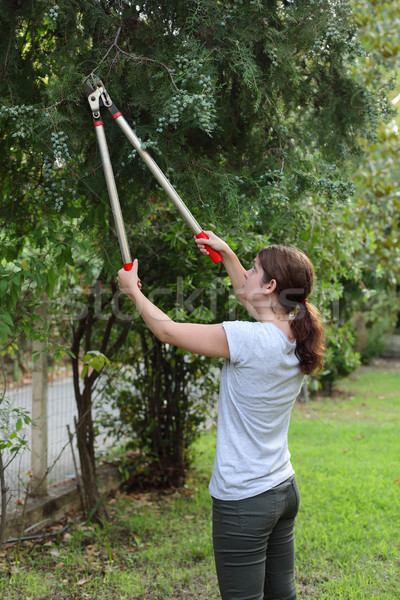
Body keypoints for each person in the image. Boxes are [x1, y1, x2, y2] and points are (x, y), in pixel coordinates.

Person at [117, 231, 325, 600]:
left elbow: (167, 331)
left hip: (244, 500)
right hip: (282, 488)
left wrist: (133, 291)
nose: (246, 273)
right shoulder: (294, 335)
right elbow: (255, 302)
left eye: (254, 269)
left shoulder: (248, 339)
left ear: (271, 285)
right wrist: (227, 253)